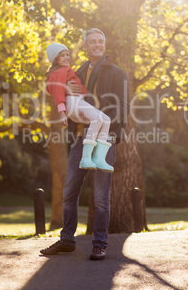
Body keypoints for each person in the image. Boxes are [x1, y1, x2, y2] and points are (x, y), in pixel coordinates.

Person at [40, 28, 129, 260]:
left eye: (101, 41)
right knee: (69, 193)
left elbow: (123, 107)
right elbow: (62, 90)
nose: (97, 44)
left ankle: (99, 243)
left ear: (104, 45)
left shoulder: (117, 73)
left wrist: (113, 136)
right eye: (92, 42)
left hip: (103, 137)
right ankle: (67, 240)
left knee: (101, 197)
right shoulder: (75, 70)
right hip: (80, 137)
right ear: (86, 46)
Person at [46, 42, 113, 172]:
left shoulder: (66, 70)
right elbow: (57, 92)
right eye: (62, 56)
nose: (66, 58)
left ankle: (99, 158)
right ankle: (86, 158)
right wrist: (62, 113)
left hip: (78, 102)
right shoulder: (60, 71)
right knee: (98, 119)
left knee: (106, 120)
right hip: (73, 102)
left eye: (67, 54)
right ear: (55, 59)